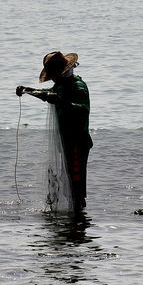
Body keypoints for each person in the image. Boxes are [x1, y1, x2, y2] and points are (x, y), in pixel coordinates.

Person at [16, 51, 92, 209]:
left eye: (54, 75)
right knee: (63, 178)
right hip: (65, 140)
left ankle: (78, 221)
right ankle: (71, 221)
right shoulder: (62, 85)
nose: (54, 79)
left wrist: (61, 102)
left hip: (77, 142)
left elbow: (83, 110)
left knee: (76, 182)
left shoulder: (78, 86)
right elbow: (48, 94)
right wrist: (28, 90)